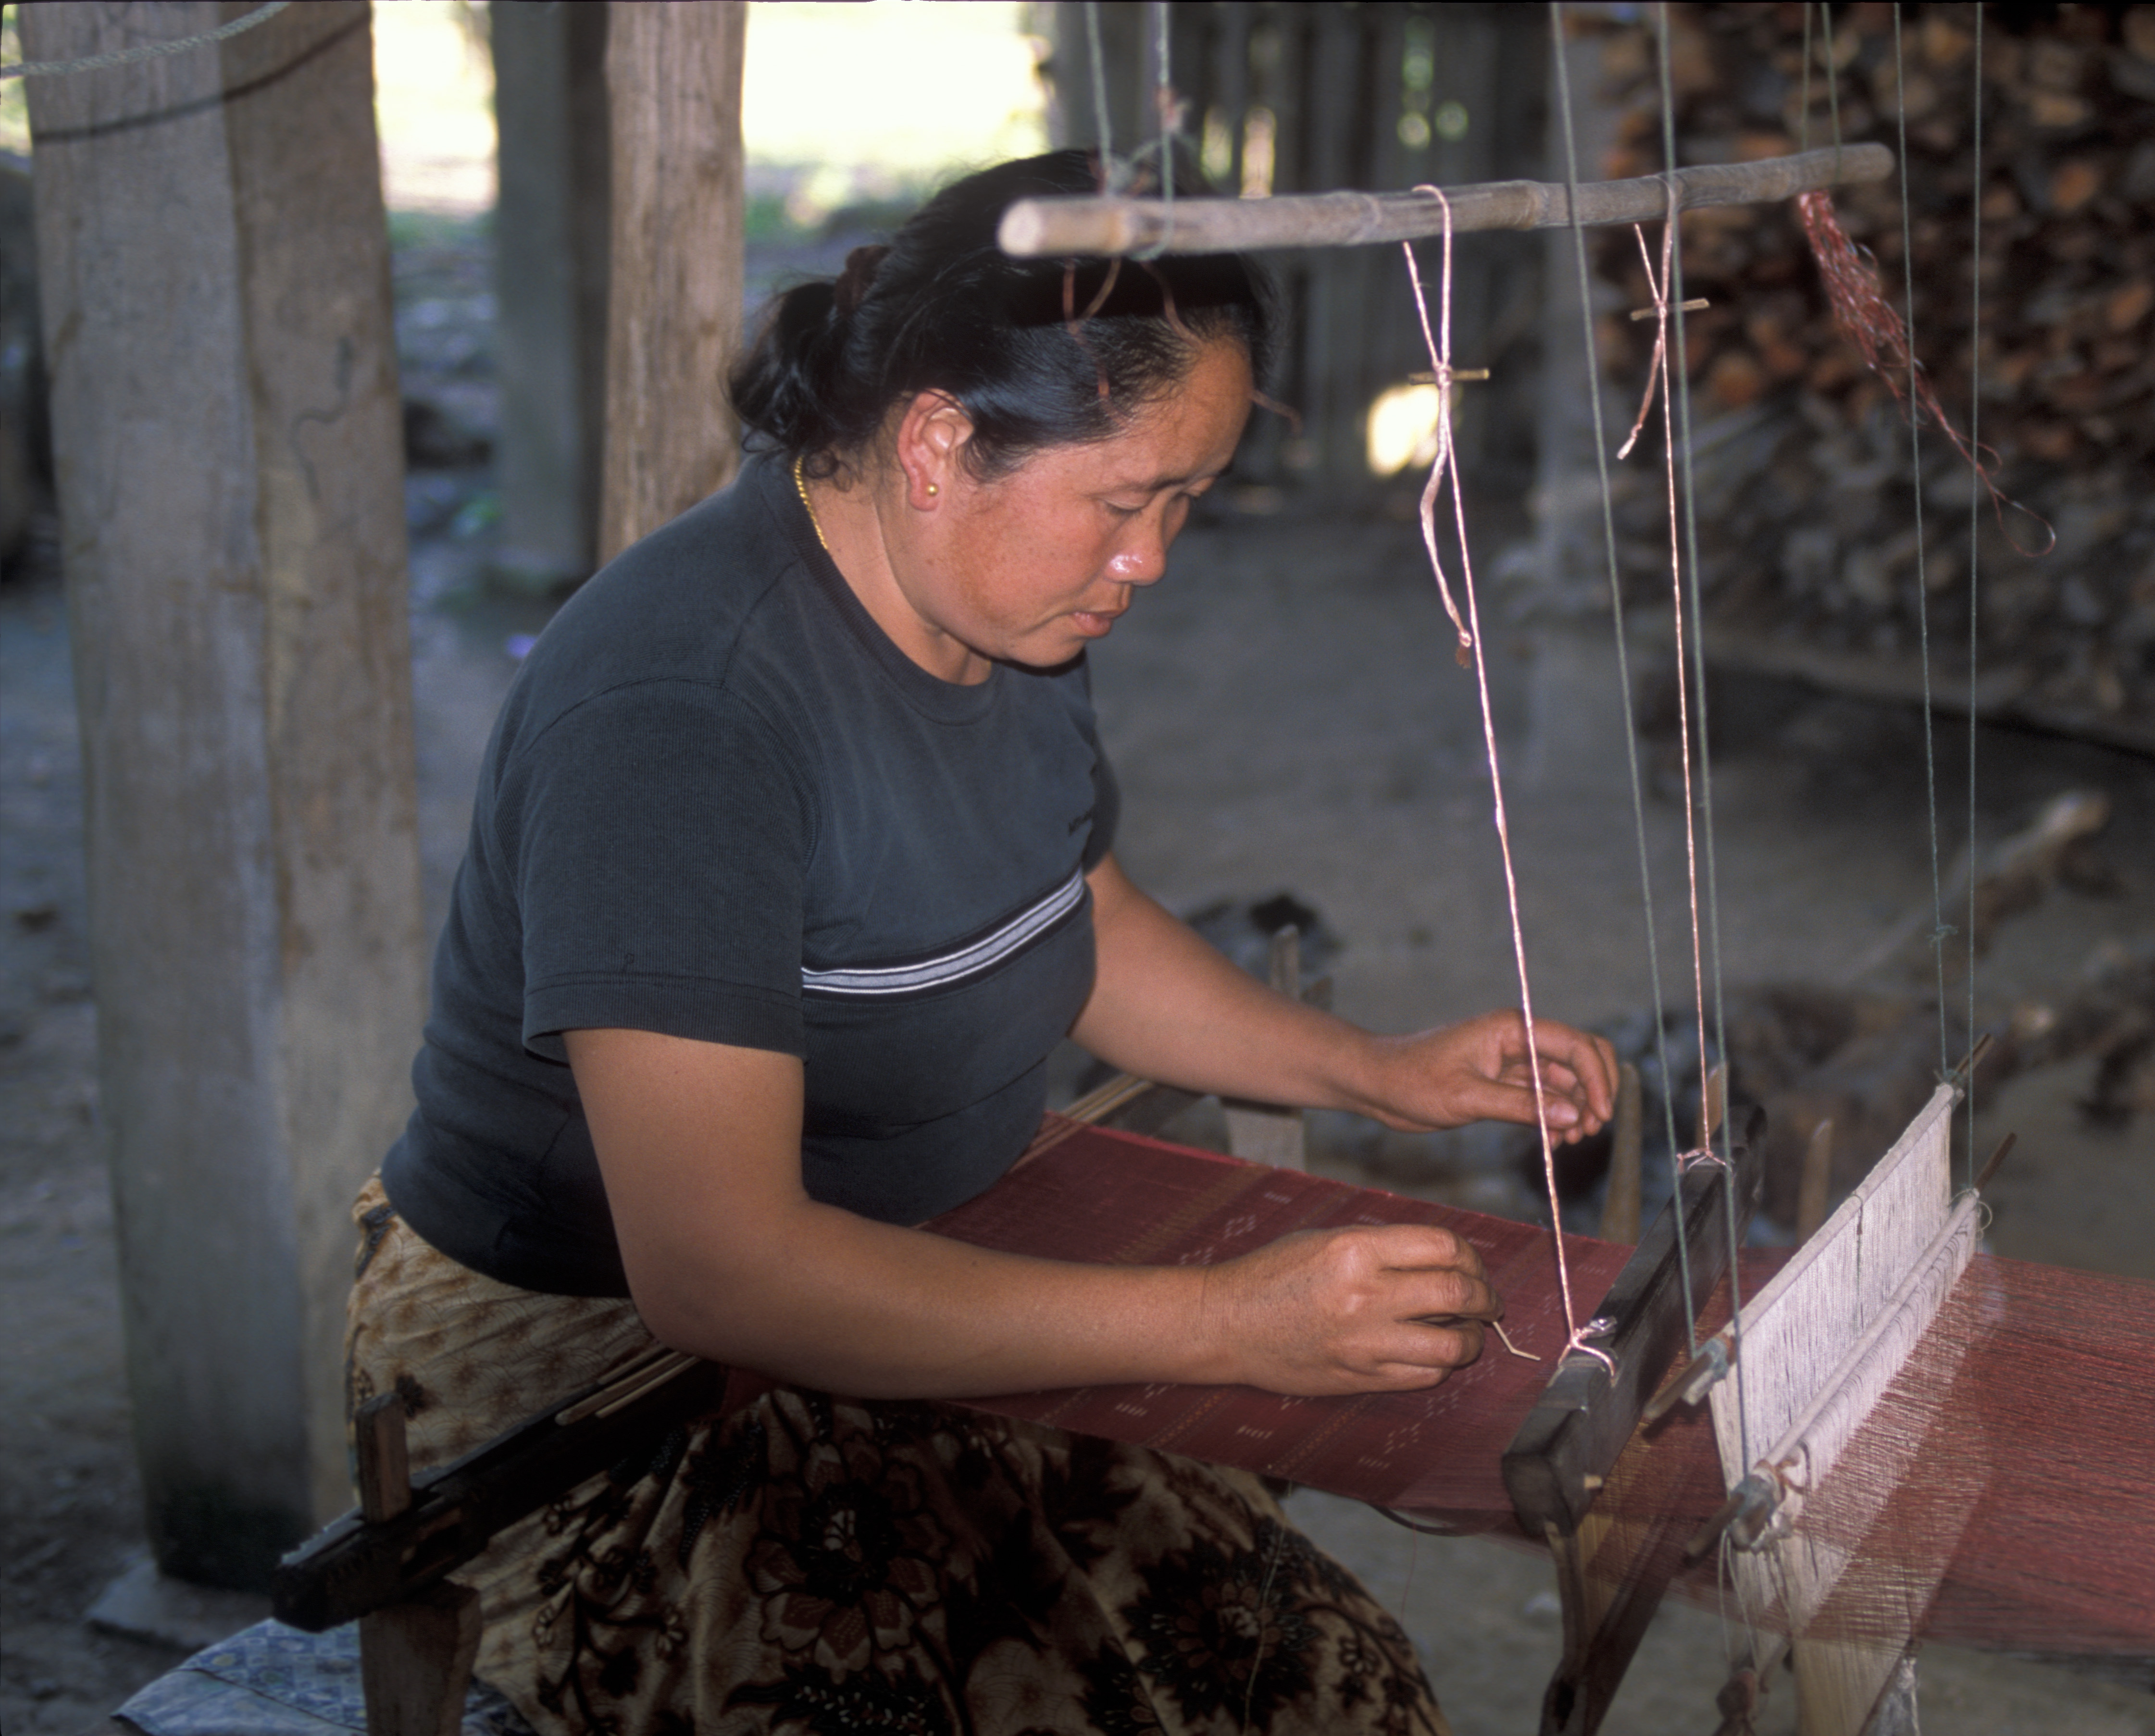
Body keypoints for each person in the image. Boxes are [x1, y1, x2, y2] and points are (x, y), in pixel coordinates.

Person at [349, 151, 1617, 1736]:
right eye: (1124, 498)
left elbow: (1071, 907)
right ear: (939, 441)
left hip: (917, 1260)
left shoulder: (1005, 607)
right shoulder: (684, 717)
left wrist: (1379, 1071)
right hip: (588, 1379)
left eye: (1184, 503)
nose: (1148, 557)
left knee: (1322, 1684)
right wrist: (1233, 1324)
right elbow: (720, 1270)